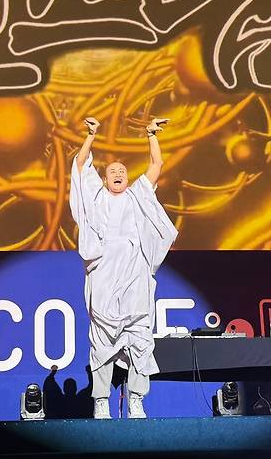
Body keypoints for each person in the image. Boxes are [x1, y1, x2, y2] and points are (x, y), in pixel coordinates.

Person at [69, 116, 178, 419]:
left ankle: (136, 399)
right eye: (112, 171)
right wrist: (91, 135)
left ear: (128, 179)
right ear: (104, 179)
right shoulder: (96, 199)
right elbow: (79, 167)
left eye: (122, 171)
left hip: (135, 275)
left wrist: (151, 135)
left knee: (140, 338)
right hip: (104, 275)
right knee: (102, 338)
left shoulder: (139, 195)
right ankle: (101, 399)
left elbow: (156, 165)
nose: (117, 173)